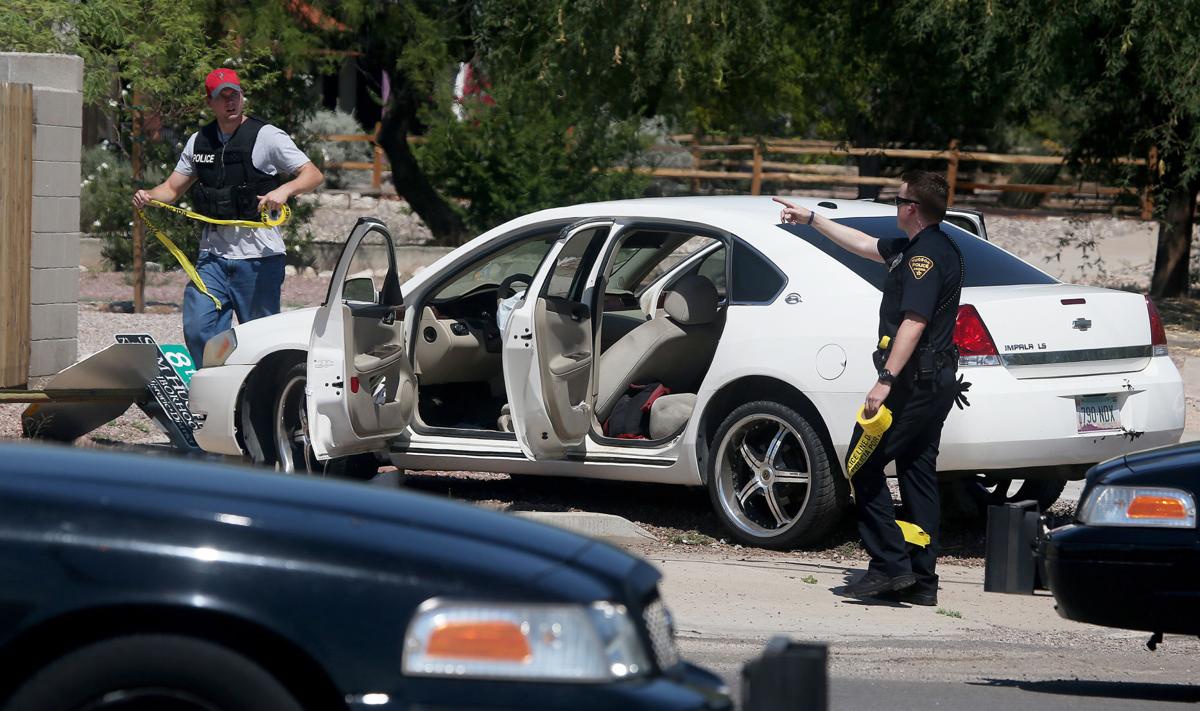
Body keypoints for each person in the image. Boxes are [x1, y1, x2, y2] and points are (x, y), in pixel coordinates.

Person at [774, 170, 964, 606]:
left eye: (896, 200)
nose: (892, 207)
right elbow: (861, 244)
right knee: (917, 473)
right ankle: (921, 579)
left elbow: (914, 322)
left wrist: (885, 380)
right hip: (933, 382)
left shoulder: (925, 257)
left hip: (912, 384)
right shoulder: (922, 247)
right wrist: (811, 219)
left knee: (860, 463)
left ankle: (888, 567)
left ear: (912, 208)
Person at [132, 68, 323, 365]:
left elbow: (312, 174)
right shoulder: (199, 142)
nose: (231, 102)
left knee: (262, 342)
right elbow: (171, 188)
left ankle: (258, 401)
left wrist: (284, 190)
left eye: (235, 94)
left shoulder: (267, 136)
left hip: (259, 259)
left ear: (242, 96)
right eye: (223, 97)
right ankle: (216, 392)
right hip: (213, 259)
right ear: (210, 102)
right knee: (198, 329)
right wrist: (148, 196)